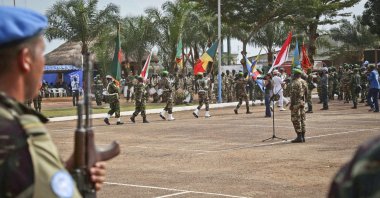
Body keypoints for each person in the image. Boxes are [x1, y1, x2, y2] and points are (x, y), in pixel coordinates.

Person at [0, 6, 106, 197]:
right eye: (41, 54)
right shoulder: (19, 130)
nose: (43, 64)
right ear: (25, 59)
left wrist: (63, 173)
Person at [289, 68, 308, 143]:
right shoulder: (304, 82)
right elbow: (306, 92)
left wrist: (292, 104)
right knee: (302, 119)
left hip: (296, 103)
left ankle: (299, 136)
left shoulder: (294, 83)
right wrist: (304, 101)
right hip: (302, 102)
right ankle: (303, 137)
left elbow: (293, 95)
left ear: (295, 74)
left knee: (295, 119)